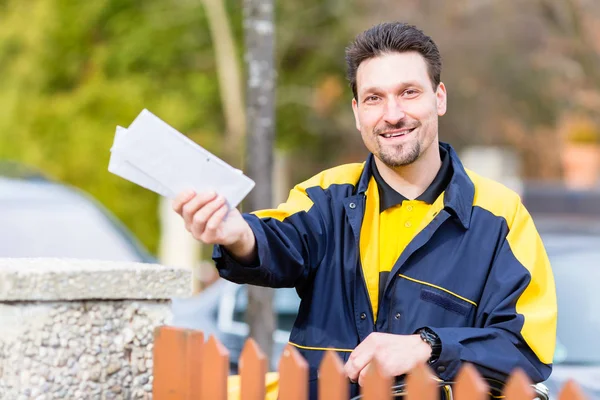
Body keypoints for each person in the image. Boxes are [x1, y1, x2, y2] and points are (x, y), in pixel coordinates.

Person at [172, 22, 557, 399]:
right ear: (357, 112)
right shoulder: (326, 195)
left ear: (439, 98)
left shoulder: (501, 216)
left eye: (408, 92)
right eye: (374, 98)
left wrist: (428, 346)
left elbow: (526, 349)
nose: (392, 114)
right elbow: (278, 240)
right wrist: (238, 234)